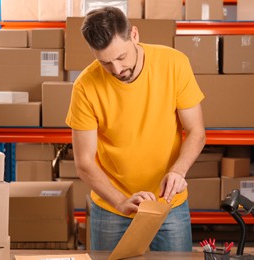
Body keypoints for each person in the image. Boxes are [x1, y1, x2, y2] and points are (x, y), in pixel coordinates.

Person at [66, 6, 206, 252]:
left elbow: (196, 131)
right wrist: (120, 202)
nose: (117, 70)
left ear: (134, 35)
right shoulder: (85, 87)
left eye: (121, 57)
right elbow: (84, 162)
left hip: (168, 203)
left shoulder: (174, 63)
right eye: (106, 63)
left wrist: (178, 171)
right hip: (112, 207)